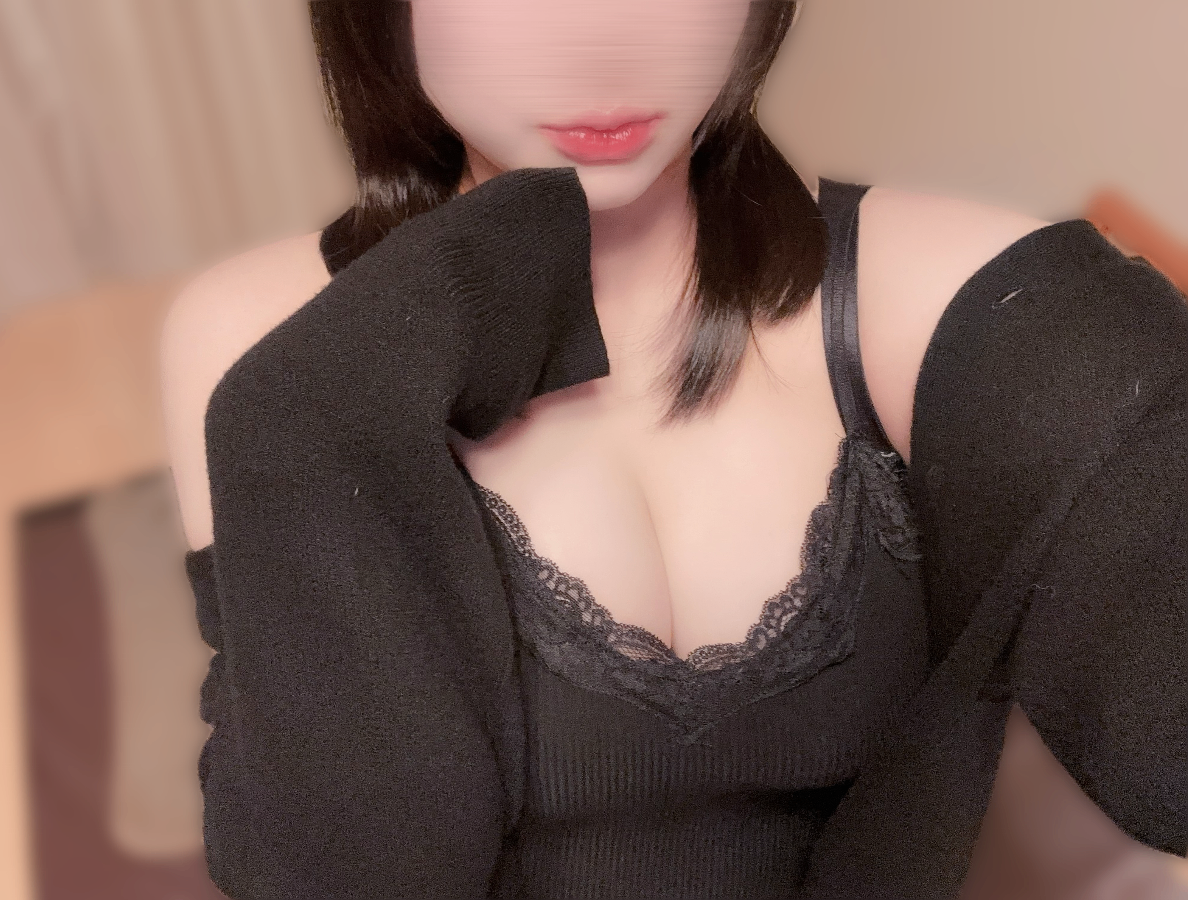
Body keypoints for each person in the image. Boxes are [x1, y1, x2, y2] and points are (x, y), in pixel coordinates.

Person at [160, 2, 1186, 898]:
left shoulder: (931, 287)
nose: (603, 44)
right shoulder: (268, 341)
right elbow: (352, 870)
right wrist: (327, 401)